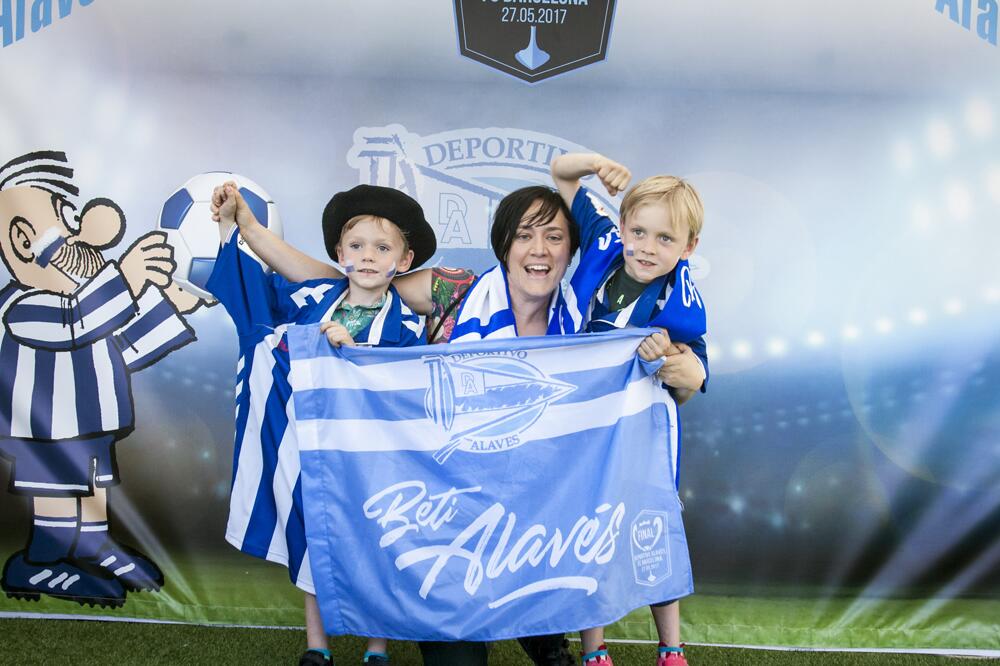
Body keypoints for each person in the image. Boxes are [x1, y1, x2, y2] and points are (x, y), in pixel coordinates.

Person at [231, 184, 582, 666]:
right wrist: (250, 231)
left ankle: (541, 630)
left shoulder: (585, 321)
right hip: (452, 509)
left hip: (530, 518)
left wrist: (689, 371)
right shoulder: (456, 290)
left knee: (546, 611)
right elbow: (345, 284)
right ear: (504, 245)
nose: (539, 251)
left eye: (554, 238)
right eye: (524, 236)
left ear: (571, 250)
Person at [206, 182, 436, 666]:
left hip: (374, 458)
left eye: (382, 247)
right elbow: (256, 306)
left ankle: (377, 648)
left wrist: (351, 352)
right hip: (311, 447)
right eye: (356, 246)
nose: (368, 257)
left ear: (404, 258)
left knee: (378, 543)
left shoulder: (410, 325)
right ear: (339, 253)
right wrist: (234, 228)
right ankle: (318, 646)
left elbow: (407, 388)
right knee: (315, 538)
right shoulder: (315, 297)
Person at [0, 150, 204, 608]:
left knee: (92, 488)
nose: (81, 235)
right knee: (57, 492)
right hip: (45, 432)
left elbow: (123, 344)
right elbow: (76, 322)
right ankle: (39, 564)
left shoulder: (86, 301)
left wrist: (172, 303)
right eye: (65, 220)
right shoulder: (23, 306)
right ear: (22, 238)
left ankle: (93, 546)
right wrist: (127, 278)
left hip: (91, 424)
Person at [551, 153, 709, 666]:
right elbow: (561, 172)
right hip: (582, 423)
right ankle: (594, 651)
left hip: (639, 435)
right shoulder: (603, 246)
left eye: (665, 239)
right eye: (639, 232)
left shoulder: (677, 303)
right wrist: (595, 164)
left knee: (651, 530)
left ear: (688, 247)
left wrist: (670, 361)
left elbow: (695, 371)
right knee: (587, 531)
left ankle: (670, 648)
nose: (646, 247)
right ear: (622, 225)